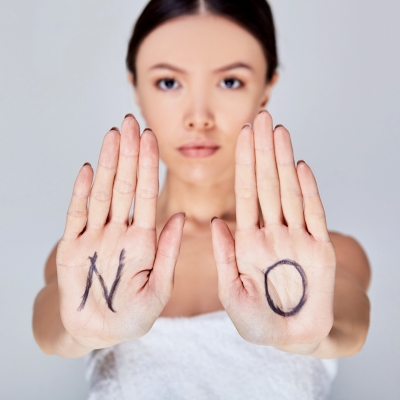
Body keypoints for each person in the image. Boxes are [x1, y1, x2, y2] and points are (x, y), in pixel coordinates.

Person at [32, 0, 371, 398]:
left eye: (230, 81)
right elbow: (49, 329)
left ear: (266, 89)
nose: (198, 116)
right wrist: (77, 333)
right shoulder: (96, 261)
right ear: (136, 88)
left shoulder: (320, 256)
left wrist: (313, 338)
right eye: (168, 82)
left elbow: (349, 327)